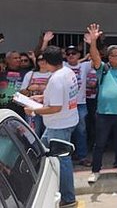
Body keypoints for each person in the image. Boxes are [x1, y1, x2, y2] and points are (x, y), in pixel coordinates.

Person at [23, 45, 79, 208]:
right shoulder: (67, 71)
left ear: (47, 62)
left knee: (63, 161)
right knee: (40, 151)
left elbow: (55, 107)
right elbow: (60, 97)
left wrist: (34, 109)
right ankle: (45, 185)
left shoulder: (55, 79)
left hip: (59, 124)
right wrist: (42, 97)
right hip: (63, 122)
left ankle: (68, 198)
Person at [86, 23, 117, 183]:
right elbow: (94, 56)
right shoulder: (103, 68)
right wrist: (93, 41)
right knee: (99, 143)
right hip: (104, 114)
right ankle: (96, 170)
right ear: (110, 57)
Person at [63, 45, 93, 167]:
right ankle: (66, 156)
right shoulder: (63, 66)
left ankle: (82, 156)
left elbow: (95, 58)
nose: (71, 55)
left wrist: (92, 42)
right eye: (68, 53)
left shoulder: (84, 66)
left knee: (81, 131)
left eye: (74, 53)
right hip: (66, 105)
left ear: (78, 55)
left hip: (80, 104)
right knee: (66, 131)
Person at [19, 53, 51, 137]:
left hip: (48, 108)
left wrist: (40, 87)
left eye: (44, 59)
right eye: (40, 59)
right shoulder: (30, 74)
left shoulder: (53, 74)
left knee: (48, 134)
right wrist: (29, 88)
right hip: (32, 107)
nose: (42, 62)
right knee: (33, 133)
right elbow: (22, 91)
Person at [0, 51, 27, 118]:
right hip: (3, 107)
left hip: (20, 107)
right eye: (15, 58)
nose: (18, 60)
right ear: (7, 60)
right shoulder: (2, 73)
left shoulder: (27, 73)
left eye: (19, 58)